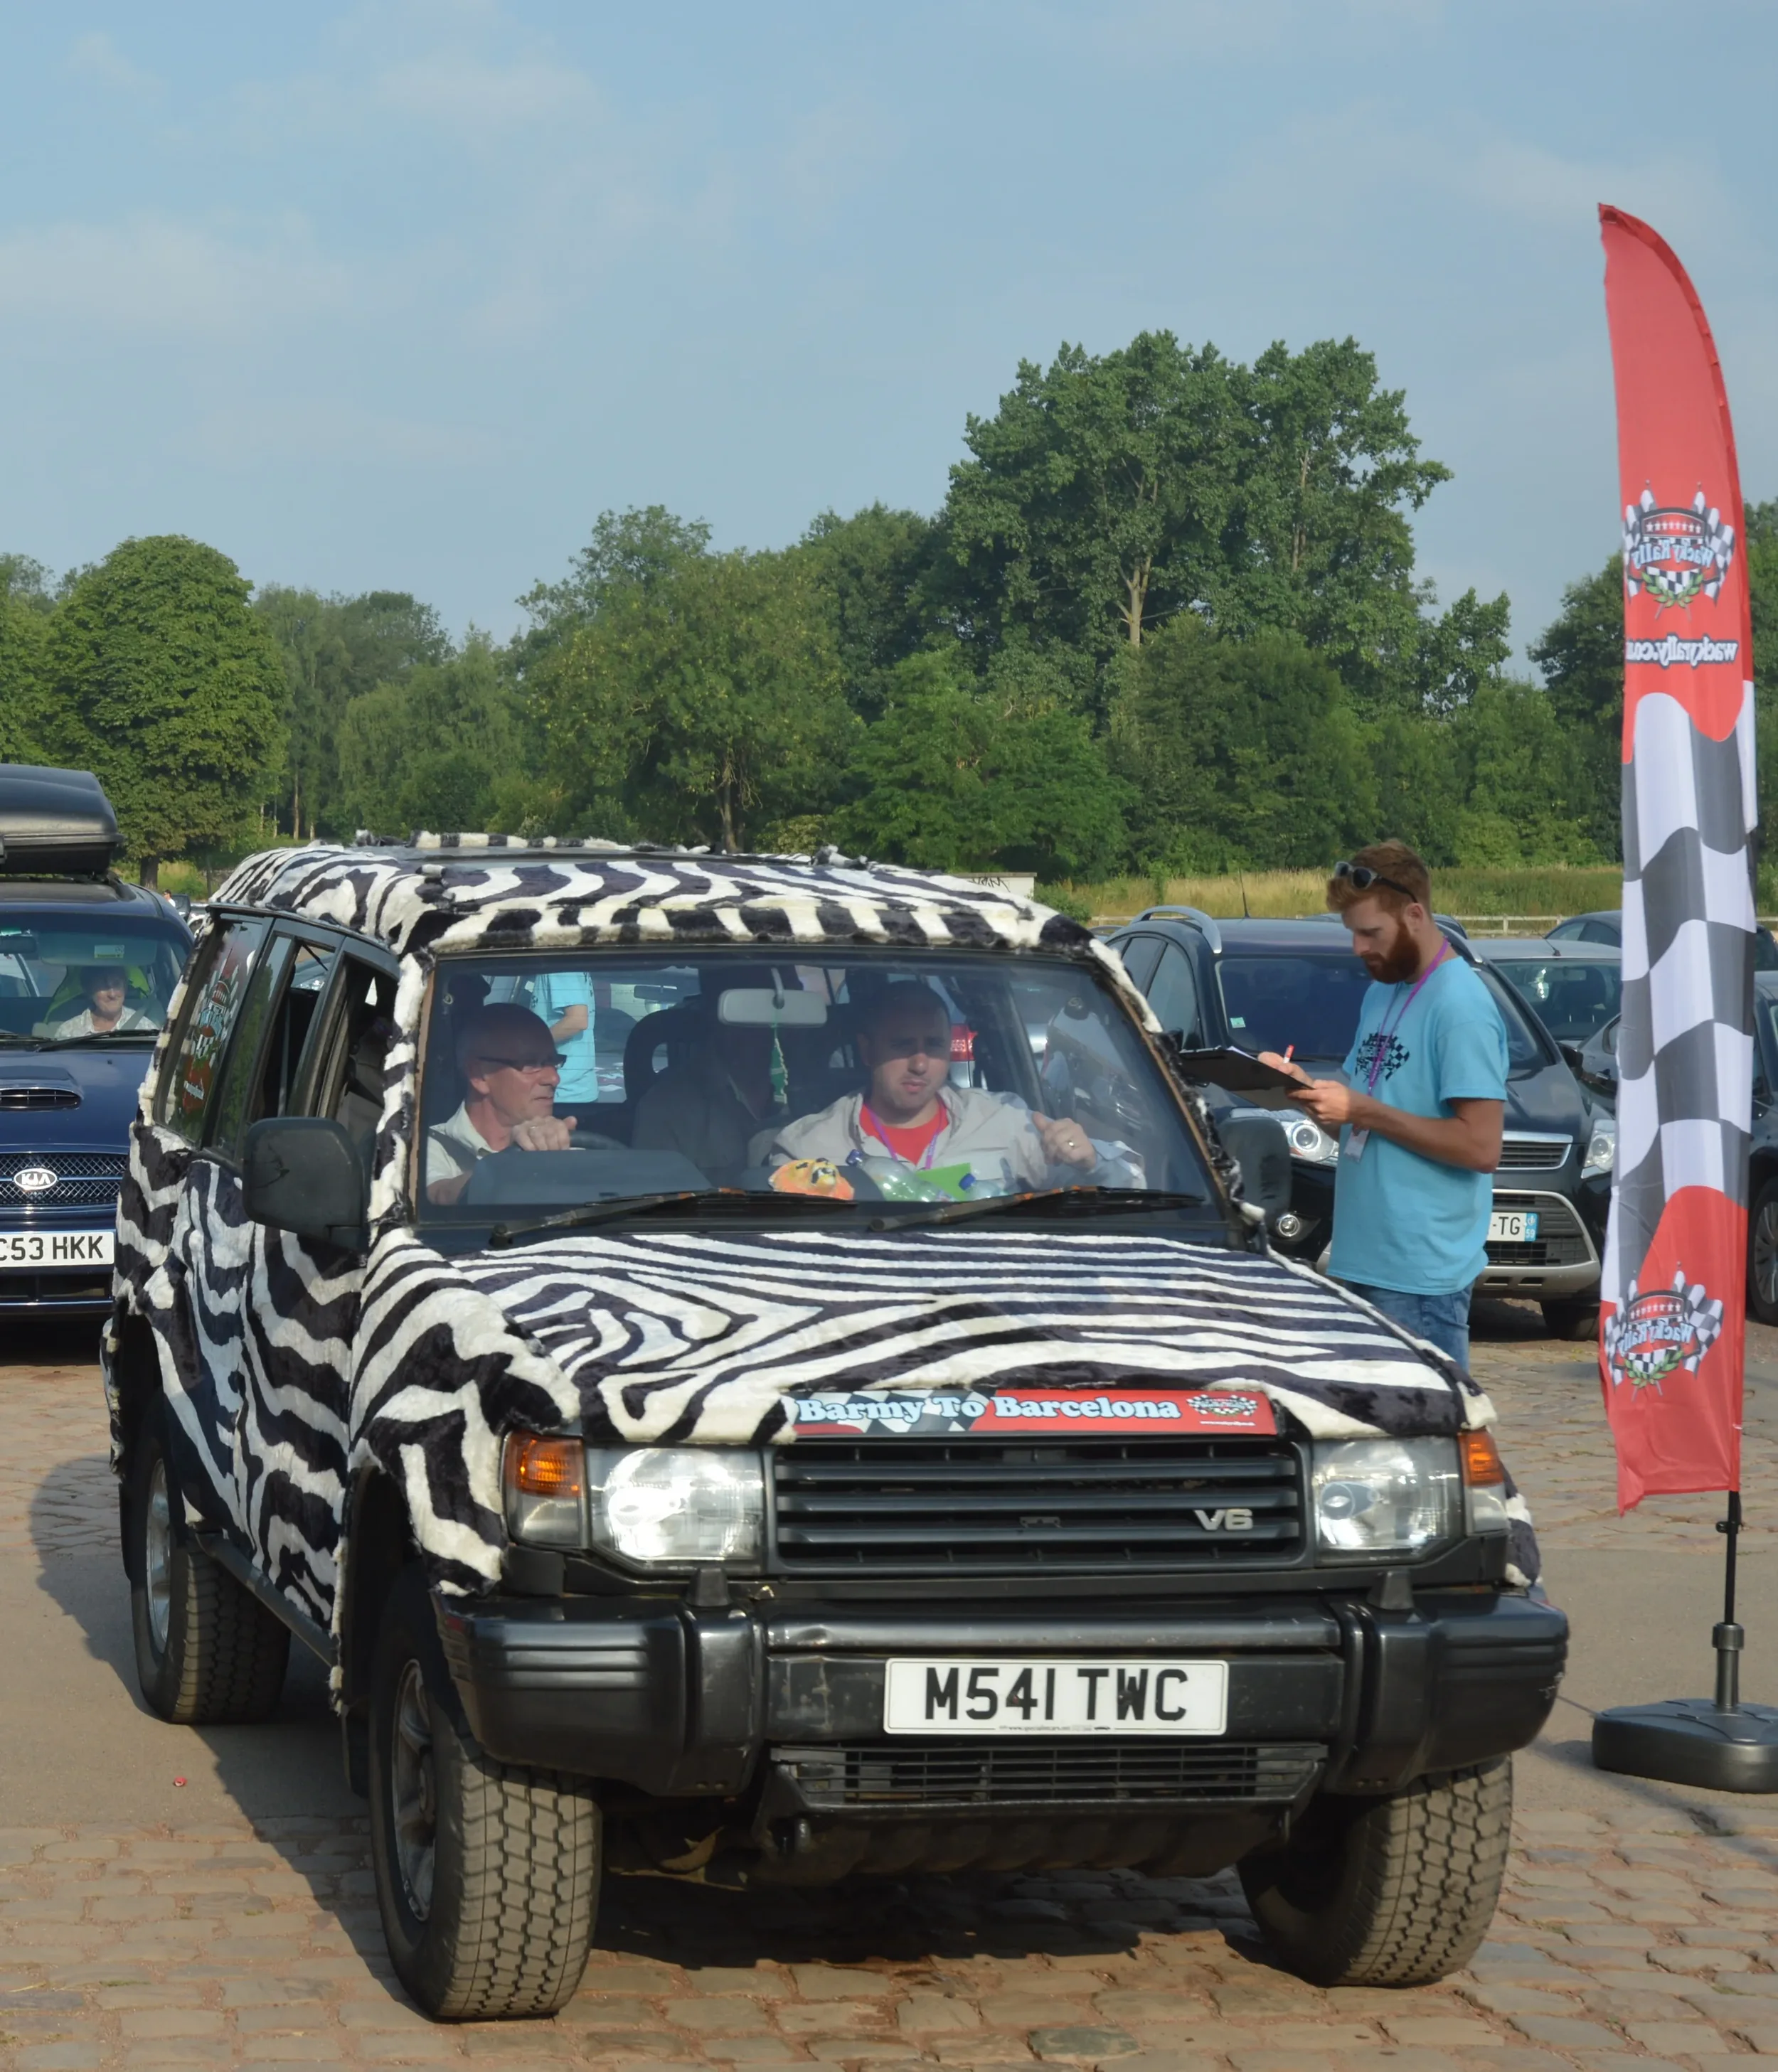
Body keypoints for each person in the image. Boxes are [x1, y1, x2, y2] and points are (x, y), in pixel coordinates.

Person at [1259, 841, 1506, 1369]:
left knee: (1421, 1444)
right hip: (1361, 1262)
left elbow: (1482, 1147)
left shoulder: (1461, 1006)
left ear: (1414, 914)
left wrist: (1365, 1112)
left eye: (1370, 933)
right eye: (1351, 932)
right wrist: (1302, 1090)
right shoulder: (1383, 992)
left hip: (1420, 1280)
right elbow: (1357, 1125)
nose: (1357, 948)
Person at [752, 980, 1129, 1195]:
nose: (920, 1064)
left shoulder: (1007, 1122)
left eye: (933, 1046)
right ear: (867, 1051)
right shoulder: (809, 1146)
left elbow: (1126, 1195)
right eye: (902, 1046)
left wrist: (1091, 1164)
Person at [425, 1004, 580, 1205]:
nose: (554, 1078)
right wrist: (519, 1162)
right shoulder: (427, 1148)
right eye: (531, 1064)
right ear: (479, 1076)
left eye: (553, 1061)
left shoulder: (569, 1151)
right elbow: (438, 1194)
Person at [523, 968, 602, 1107]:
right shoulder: (569, 965)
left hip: (561, 1092)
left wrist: (527, 1049)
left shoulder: (559, 967)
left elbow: (577, 1020)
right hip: (572, 1090)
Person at [38, 966, 156, 1038]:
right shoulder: (68, 1031)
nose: (112, 994)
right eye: (103, 986)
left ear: (125, 988)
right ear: (89, 991)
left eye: (117, 984)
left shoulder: (146, 1029)